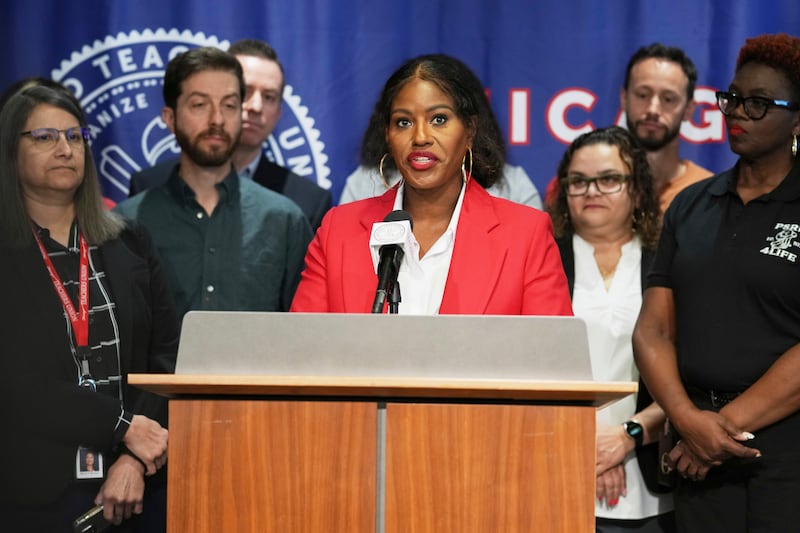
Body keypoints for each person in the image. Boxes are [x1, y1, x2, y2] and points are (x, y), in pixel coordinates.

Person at [633, 33, 800, 532]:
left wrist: (717, 434)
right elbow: (653, 332)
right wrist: (687, 420)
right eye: (732, 99)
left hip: (785, 452)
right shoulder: (691, 204)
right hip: (694, 449)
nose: (738, 113)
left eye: (759, 103)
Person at [0, 85, 179, 531]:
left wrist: (134, 458)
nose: (64, 149)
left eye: (75, 136)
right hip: (31, 492)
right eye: (44, 137)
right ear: (10, 150)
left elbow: (167, 359)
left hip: (136, 487)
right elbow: (16, 383)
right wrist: (122, 427)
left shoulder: (129, 241)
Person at [290, 54, 572, 315]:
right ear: (388, 134)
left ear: (470, 131)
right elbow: (302, 353)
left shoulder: (526, 234)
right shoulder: (338, 230)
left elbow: (551, 362)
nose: (420, 137)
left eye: (439, 119)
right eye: (403, 122)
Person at [115, 47, 312, 319]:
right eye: (200, 105)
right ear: (170, 119)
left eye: (229, 105)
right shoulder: (128, 223)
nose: (217, 119)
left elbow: (303, 333)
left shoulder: (284, 219)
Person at [549, 126, 674, 532]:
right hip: (553, 468)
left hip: (652, 481)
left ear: (636, 190)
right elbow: (523, 367)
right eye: (579, 181)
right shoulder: (543, 259)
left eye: (609, 179)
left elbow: (690, 371)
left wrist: (625, 438)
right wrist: (589, 445)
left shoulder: (668, 263)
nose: (591, 191)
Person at [128, 39, 332, 230]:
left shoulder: (306, 202)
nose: (256, 106)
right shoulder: (148, 187)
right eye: (246, 92)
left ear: (279, 113)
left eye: (269, 97)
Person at [545, 44, 713, 213]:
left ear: (689, 109)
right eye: (642, 95)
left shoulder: (708, 194)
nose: (653, 109)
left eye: (668, 99)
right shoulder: (577, 186)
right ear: (624, 98)